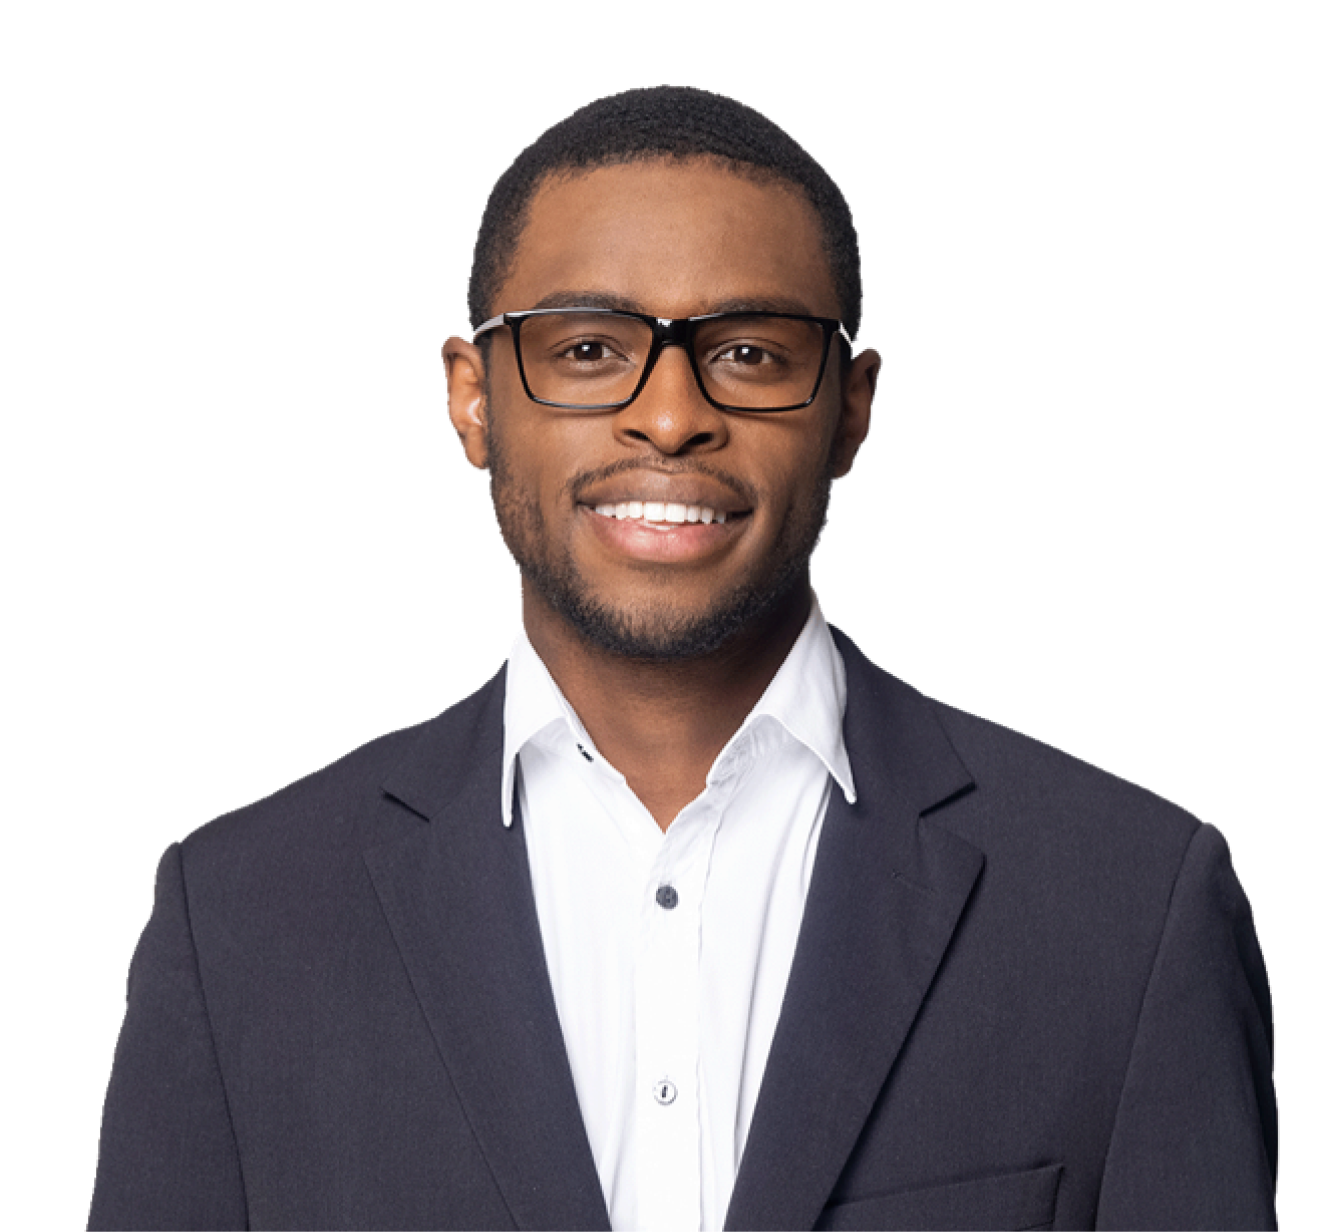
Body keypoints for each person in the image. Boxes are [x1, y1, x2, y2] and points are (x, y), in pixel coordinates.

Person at [89, 86, 1277, 1231]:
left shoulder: (1128, 906)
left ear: (852, 408)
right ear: (469, 398)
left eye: (750, 352)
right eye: (590, 348)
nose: (668, 415)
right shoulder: (239, 917)